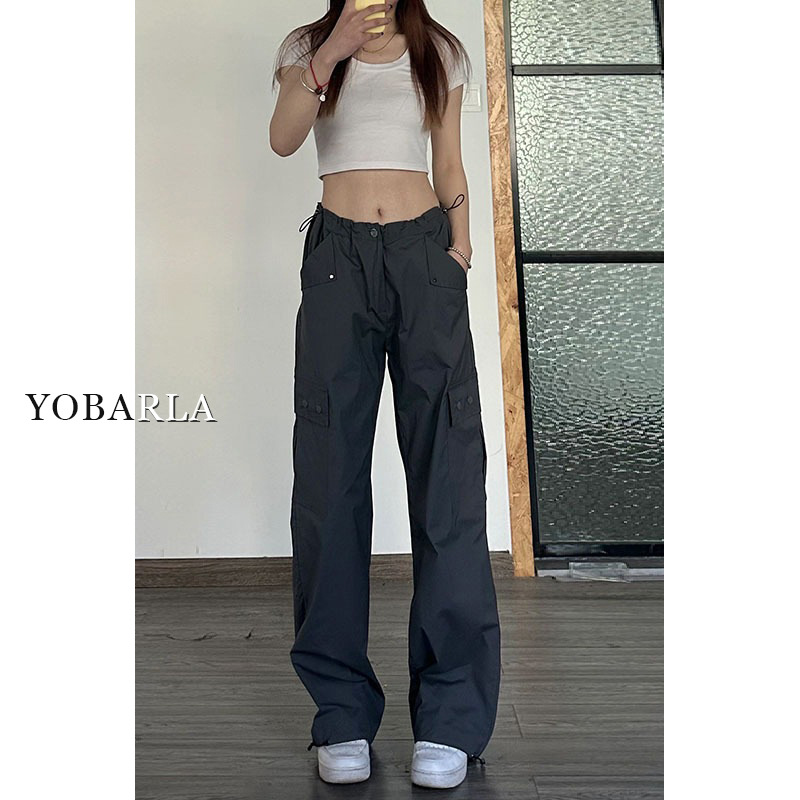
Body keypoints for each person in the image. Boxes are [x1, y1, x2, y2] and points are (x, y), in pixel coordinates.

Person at [269, 0, 501, 789]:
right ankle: (340, 714)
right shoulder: (308, 46)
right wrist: (330, 50)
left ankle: (451, 719)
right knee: (328, 481)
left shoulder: (439, 49)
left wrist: (458, 251)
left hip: (424, 257)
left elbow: (449, 161)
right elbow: (283, 138)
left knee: (449, 481)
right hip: (337, 259)